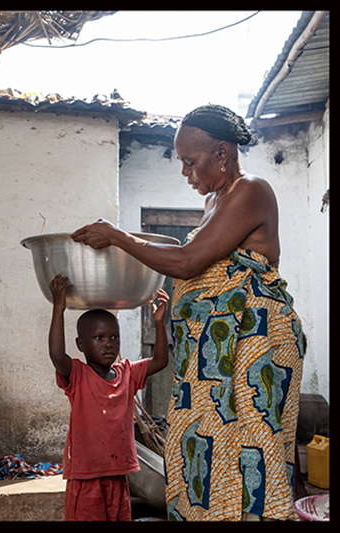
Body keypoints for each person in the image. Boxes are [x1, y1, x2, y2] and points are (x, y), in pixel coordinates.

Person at [71, 104, 306, 521]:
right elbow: (193, 260)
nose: (185, 172)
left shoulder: (251, 190)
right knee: (203, 443)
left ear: (222, 153)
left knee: (253, 446)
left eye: (190, 161)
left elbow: (187, 261)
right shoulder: (215, 199)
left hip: (255, 344)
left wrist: (118, 237)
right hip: (216, 357)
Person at [50, 273, 170, 521]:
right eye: (99, 338)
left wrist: (159, 323)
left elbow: (160, 361)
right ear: (81, 345)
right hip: (86, 477)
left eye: (114, 337)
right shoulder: (78, 375)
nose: (108, 344)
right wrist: (58, 309)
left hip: (118, 475)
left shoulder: (127, 373)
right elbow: (57, 356)